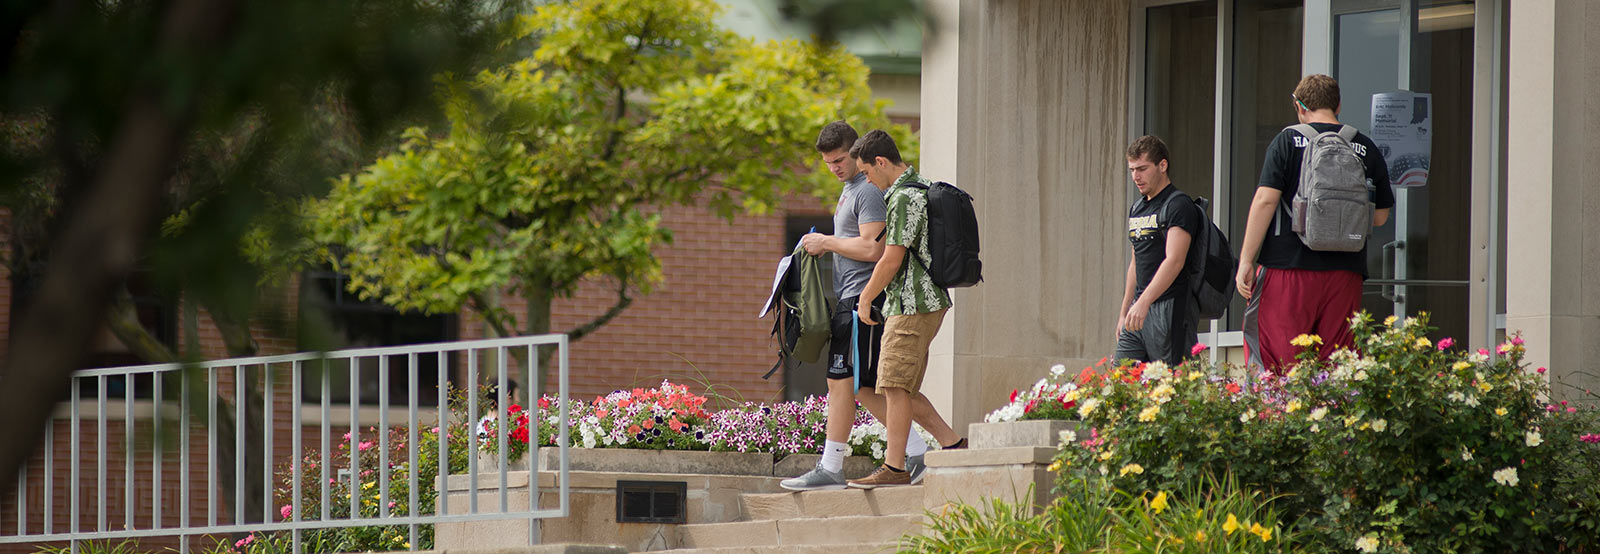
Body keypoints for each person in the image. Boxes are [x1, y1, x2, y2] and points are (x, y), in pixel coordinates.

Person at [781, 122, 963, 491]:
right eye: (826, 162)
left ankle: (906, 456)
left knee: (875, 385)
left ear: (867, 158)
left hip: (876, 301)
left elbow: (878, 251)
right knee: (872, 386)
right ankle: (924, 451)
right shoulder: (861, 190)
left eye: (842, 161)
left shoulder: (878, 192)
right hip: (871, 301)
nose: (834, 168)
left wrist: (829, 247)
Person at [1235, 74, 1394, 371]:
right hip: (1346, 272)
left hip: (1289, 268)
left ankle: (1282, 418)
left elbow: (1266, 201)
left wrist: (1246, 260)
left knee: (1280, 363)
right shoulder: (1365, 147)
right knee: (1338, 366)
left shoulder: (1287, 140)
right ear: (1338, 105)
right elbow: (1380, 215)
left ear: (1299, 105)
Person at [845, 129, 965, 490]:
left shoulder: (903, 198)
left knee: (893, 387)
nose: (866, 179)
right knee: (904, 388)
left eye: (867, 172)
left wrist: (865, 297)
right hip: (921, 301)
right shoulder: (919, 188)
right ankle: (953, 444)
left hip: (912, 303)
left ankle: (894, 467)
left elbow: (891, 259)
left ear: (881, 162)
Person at [1115, 135, 1200, 366]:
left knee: (1171, 386)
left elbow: (1175, 261)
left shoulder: (1178, 204)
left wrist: (1143, 302)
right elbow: (1136, 261)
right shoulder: (1138, 207)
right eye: (1132, 170)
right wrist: (1125, 310)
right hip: (1138, 310)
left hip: (1170, 307)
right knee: (1120, 383)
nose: (1136, 177)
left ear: (1162, 165)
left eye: (1142, 169)